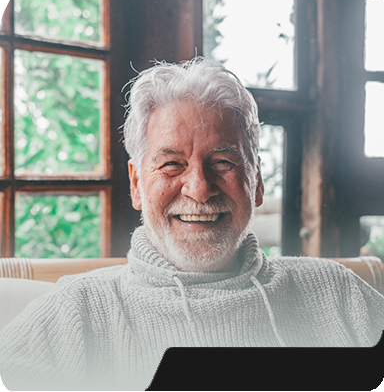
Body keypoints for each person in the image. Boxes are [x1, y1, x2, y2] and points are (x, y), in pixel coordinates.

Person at [0, 57, 383, 391]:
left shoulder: (340, 295)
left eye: (223, 162)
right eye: (171, 164)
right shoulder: (75, 314)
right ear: (136, 184)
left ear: (258, 182)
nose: (199, 190)